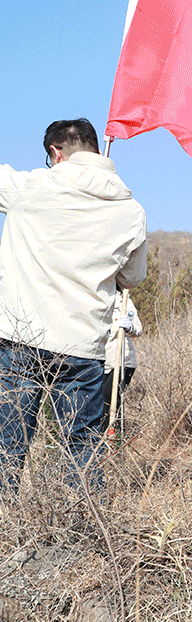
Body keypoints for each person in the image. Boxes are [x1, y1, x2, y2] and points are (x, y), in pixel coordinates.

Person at [0, 118, 147, 493]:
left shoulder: (33, 187)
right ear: (96, 150)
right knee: (81, 448)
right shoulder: (131, 210)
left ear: (56, 152)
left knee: (8, 445)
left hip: (20, 337)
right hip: (83, 345)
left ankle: (9, 523)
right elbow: (133, 277)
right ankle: (80, 523)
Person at [102, 291, 143, 433]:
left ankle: (113, 436)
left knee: (110, 398)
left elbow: (138, 329)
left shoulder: (123, 302)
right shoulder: (96, 298)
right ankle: (100, 436)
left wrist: (129, 326)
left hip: (122, 360)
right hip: (101, 360)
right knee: (98, 400)